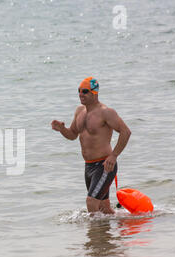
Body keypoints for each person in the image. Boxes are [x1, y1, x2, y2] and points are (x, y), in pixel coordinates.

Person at [51, 77, 131, 214]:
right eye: (79, 91)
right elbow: (72, 135)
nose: (81, 94)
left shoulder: (106, 112)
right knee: (103, 208)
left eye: (85, 91)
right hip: (88, 166)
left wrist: (113, 156)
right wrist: (62, 130)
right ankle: (114, 231)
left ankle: (94, 234)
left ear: (95, 93)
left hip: (104, 166)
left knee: (91, 202)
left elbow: (126, 132)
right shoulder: (79, 111)